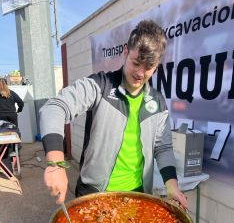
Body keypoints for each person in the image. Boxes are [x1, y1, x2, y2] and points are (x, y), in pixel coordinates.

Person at [40, 20, 188, 209]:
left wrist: (171, 184)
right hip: (94, 194)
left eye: (148, 67)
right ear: (125, 52)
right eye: (136, 63)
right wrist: (55, 163)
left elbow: (163, 147)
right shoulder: (100, 86)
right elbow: (55, 107)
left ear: (157, 66)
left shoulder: (157, 102)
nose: (140, 73)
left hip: (139, 196)